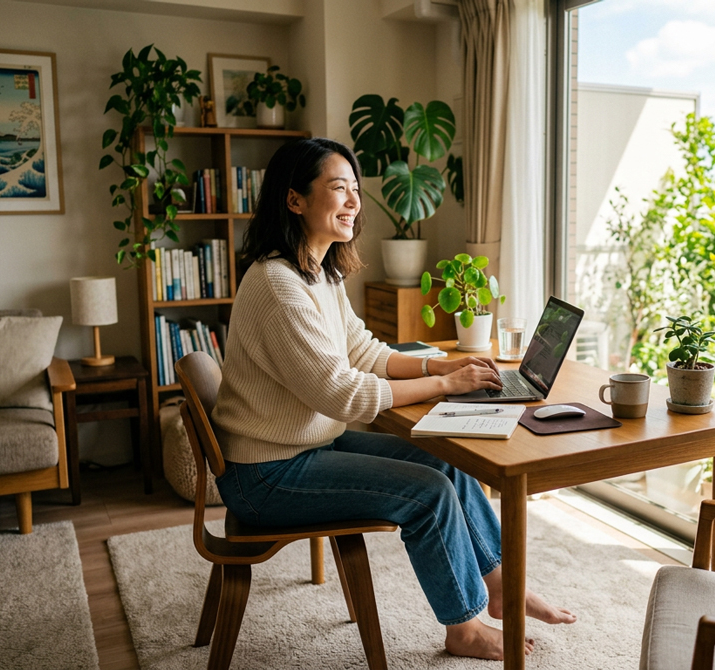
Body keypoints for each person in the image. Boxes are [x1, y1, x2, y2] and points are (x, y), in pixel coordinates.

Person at [211, 137, 576, 661]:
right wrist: (447, 386)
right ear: (295, 200)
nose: (354, 202)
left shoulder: (317, 271)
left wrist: (438, 364)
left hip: (305, 449)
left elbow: (362, 349)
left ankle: (502, 589)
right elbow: (343, 393)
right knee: (425, 493)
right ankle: (464, 627)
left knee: (444, 460)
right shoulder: (277, 285)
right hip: (266, 475)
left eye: (356, 189)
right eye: (339, 189)